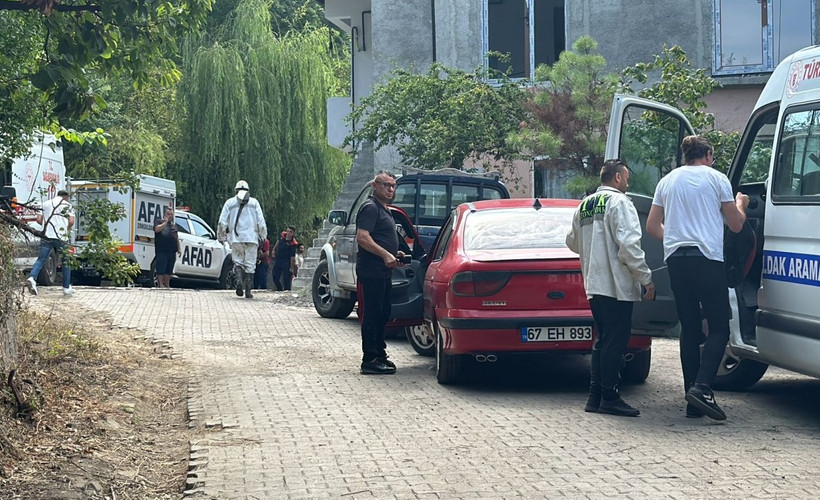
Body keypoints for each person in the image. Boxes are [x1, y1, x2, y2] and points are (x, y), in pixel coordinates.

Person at [646, 135, 749, 421]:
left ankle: (693, 402)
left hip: (677, 260)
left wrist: (677, 240)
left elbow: (653, 226)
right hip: (707, 259)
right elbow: (736, 225)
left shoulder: (667, 181)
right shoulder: (717, 179)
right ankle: (703, 387)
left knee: (690, 328)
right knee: (719, 328)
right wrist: (741, 203)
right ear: (708, 155)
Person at [566, 159, 656, 417]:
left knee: (603, 340)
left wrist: (594, 244)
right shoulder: (620, 203)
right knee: (615, 342)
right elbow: (629, 246)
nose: (628, 182)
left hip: (593, 282)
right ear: (617, 178)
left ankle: (595, 396)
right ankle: (610, 397)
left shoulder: (584, 204)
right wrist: (646, 279)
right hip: (615, 284)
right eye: (626, 177)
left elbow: (571, 242)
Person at [356, 171, 404, 375]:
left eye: (393, 186)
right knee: (373, 313)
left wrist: (395, 253)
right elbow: (363, 237)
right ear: (374, 186)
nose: (390, 189)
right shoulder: (370, 207)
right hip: (372, 271)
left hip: (383, 272)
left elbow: (380, 237)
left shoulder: (385, 209)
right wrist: (385, 255)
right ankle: (370, 359)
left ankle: (380, 353)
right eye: (386, 185)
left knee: (383, 312)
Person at [217, 180, 267, 299]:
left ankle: (238, 281)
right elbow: (261, 221)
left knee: (238, 262)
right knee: (250, 265)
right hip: (251, 239)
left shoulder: (230, 203)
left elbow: (222, 221)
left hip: (236, 238)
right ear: (248, 190)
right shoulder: (254, 203)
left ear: (236, 190)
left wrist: (221, 236)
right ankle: (248, 291)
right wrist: (263, 236)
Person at [26, 189, 75, 296]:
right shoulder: (67, 205)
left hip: (46, 235)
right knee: (66, 261)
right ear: (66, 197)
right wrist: (64, 227)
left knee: (41, 259)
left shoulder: (45, 204)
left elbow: (39, 219)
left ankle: (32, 277)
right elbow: (71, 221)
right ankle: (66, 287)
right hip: (61, 237)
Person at [153, 206, 181, 288]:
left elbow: (176, 237)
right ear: (164, 214)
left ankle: (167, 285)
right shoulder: (159, 222)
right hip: (162, 250)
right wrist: (165, 223)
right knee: (161, 268)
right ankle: (161, 285)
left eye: (171, 214)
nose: (170, 216)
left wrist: (179, 248)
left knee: (169, 269)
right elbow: (156, 230)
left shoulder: (174, 226)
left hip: (172, 251)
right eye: (168, 214)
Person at [272, 226, 297, 291]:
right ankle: (280, 289)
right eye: (288, 231)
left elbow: (292, 256)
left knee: (286, 278)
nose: (288, 233)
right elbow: (278, 242)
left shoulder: (293, 243)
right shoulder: (282, 237)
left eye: (290, 232)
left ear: (293, 233)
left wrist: (291, 267)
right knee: (275, 277)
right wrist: (274, 250)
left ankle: (287, 290)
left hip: (287, 261)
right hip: (279, 260)